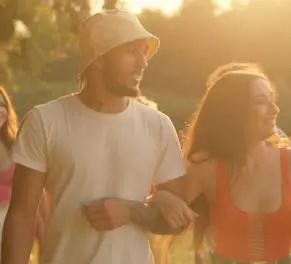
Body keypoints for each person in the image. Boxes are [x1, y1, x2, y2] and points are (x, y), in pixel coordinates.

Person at [1, 9, 195, 264]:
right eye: (131, 52)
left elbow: (176, 220)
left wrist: (131, 211)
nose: (143, 63)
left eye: (143, 52)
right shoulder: (44, 121)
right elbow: (22, 216)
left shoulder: (158, 126)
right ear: (100, 59)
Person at [111, 63, 291, 263]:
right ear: (233, 111)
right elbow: (165, 218)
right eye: (261, 102)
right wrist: (161, 197)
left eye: (273, 101)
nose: (275, 110)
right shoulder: (205, 167)